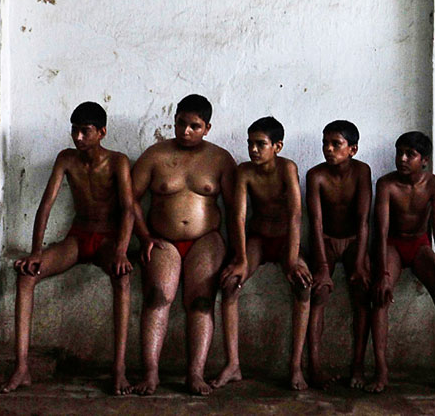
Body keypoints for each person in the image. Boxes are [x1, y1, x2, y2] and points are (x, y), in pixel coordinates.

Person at [0, 102, 134, 395]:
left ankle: (119, 370)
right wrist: (36, 251)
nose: (77, 137)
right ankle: (21, 367)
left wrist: (122, 250)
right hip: (78, 237)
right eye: (74, 130)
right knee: (27, 275)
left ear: (101, 132)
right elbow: (46, 204)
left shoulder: (118, 162)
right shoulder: (66, 159)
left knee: (123, 278)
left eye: (85, 131)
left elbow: (128, 210)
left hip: (109, 241)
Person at [131, 94, 239, 396]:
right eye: (181, 124)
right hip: (162, 239)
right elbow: (131, 200)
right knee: (156, 298)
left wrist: (237, 254)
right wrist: (143, 236)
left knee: (201, 302)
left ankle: (195, 373)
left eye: (195, 126)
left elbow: (234, 210)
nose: (186, 131)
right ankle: (151, 373)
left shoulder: (220, 159)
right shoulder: (155, 155)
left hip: (206, 240)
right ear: (174, 120)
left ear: (207, 127)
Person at [214, 117, 313, 391]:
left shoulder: (287, 169)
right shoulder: (244, 171)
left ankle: (295, 366)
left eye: (260, 144)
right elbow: (238, 216)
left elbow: (295, 215)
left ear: (277, 146)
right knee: (230, 285)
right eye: (250, 144)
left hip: (285, 241)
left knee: (304, 287)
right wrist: (241, 258)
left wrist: (292, 258)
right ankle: (232, 364)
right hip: (257, 238)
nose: (253, 150)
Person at [368, 132, 435, 394]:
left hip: (420, 244)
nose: (402, 159)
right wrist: (382, 274)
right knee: (380, 295)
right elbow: (381, 231)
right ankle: (381, 370)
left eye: (410, 154)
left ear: (424, 160)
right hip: (392, 245)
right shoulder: (386, 184)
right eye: (400, 153)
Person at [305, 121, 372, 389]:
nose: (328, 149)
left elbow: (363, 220)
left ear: (352, 149)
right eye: (325, 143)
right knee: (318, 291)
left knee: (362, 290)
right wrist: (321, 266)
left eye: (336, 144)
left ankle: (357, 366)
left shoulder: (362, 172)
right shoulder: (316, 176)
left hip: (356, 240)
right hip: (326, 241)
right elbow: (316, 224)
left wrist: (359, 264)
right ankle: (315, 366)